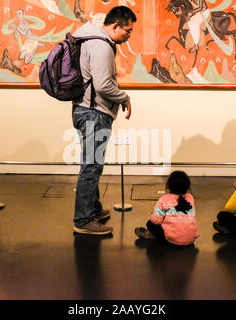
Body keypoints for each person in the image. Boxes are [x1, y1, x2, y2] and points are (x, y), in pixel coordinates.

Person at [72, 6, 136, 235]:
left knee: (92, 164)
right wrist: (125, 97)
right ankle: (83, 220)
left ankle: (94, 209)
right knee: (91, 167)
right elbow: (103, 85)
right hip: (94, 113)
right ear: (115, 26)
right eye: (127, 30)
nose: (129, 35)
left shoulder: (89, 39)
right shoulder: (101, 45)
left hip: (84, 110)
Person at [135, 171, 200, 246]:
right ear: (187, 187)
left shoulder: (164, 199)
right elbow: (191, 215)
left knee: (150, 224)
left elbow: (156, 221)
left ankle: (155, 237)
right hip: (191, 238)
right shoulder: (190, 198)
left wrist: (153, 216)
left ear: (169, 186)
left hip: (173, 240)